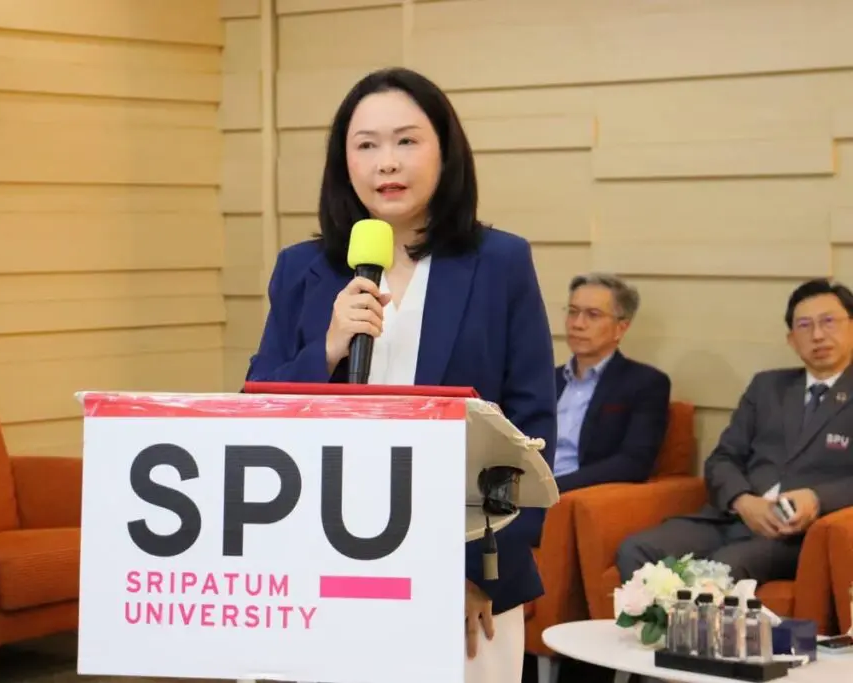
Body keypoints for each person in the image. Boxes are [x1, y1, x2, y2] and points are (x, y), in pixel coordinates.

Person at [245, 66, 557, 683]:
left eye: (407, 141)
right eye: (366, 145)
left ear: (445, 150)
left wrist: (480, 573)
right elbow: (253, 412)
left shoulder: (499, 262)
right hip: (319, 567)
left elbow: (528, 428)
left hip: (461, 575)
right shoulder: (302, 268)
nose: (386, 162)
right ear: (344, 162)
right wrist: (327, 350)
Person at [616, 278, 853, 586]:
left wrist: (817, 498)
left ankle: (688, 619)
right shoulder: (767, 387)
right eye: (805, 326)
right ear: (792, 339)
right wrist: (743, 501)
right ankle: (664, 621)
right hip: (734, 517)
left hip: (799, 534)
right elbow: (722, 459)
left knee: (721, 569)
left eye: (829, 322)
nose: (817, 335)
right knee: (636, 549)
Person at [516, 273, 671, 547]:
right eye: (573, 312)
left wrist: (551, 488)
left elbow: (634, 463)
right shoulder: (545, 380)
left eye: (592, 315)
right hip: (521, 491)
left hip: (569, 497)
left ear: (621, 328)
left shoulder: (645, 383)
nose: (577, 324)